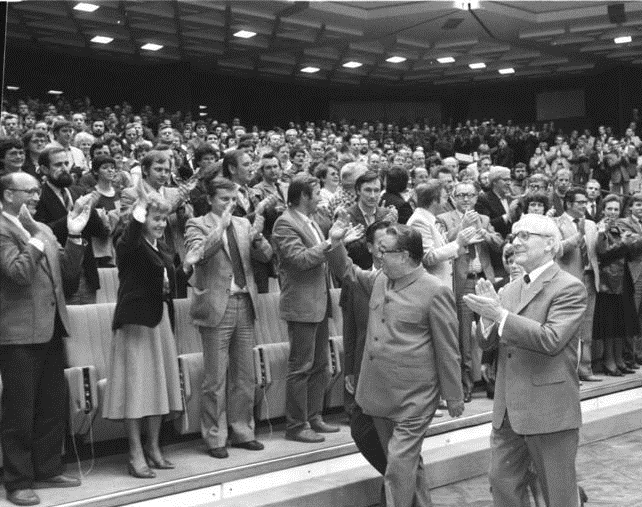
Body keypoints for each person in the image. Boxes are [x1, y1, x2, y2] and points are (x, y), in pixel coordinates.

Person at [326, 222, 464, 507]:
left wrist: (454, 397)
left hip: (414, 399)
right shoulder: (379, 280)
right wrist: (336, 244)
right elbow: (348, 272)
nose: (378, 256)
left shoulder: (435, 291)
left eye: (384, 251)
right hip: (378, 395)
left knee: (398, 470)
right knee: (404, 465)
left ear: (404, 255)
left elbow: (448, 350)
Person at [464, 214, 587, 507]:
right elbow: (489, 342)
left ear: (549, 244)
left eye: (524, 236)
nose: (515, 242)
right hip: (508, 410)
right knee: (502, 486)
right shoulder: (509, 289)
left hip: (549, 410)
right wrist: (486, 319)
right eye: (514, 236)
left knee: (558, 495)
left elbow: (550, 340)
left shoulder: (569, 287)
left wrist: (500, 316)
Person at [0, 172, 88, 506]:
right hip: (18, 334)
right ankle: (18, 481)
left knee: (52, 404)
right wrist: (36, 238)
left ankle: (47, 468)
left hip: (51, 327)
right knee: (19, 410)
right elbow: (18, 273)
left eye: (38, 191)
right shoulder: (5, 229)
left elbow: (67, 273)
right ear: (9, 195)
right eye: (31, 191)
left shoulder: (45, 229)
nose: (38, 197)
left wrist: (76, 236)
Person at [183, 177, 272, 459]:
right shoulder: (196, 224)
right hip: (215, 304)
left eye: (234, 200)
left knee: (245, 375)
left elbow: (267, 256)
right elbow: (197, 255)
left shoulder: (244, 224)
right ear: (210, 199)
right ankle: (214, 437)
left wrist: (258, 237)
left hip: (244, 301)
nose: (230, 205)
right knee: (215, 378)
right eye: (224, 200)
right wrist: (219, 227)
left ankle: (243, 430)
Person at [103, 181, 183, 479]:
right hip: (136, 323)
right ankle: (135, 452)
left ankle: (153, 447)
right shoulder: (129, 243)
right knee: (136, 389)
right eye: (155, 218)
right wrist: (137, 214)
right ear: (141, 219)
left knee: (157, 386)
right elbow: (129, 240)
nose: (161, 224)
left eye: (163, 219)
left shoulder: (160, 246)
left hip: (159, 321)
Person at [272, 174, 339, 443]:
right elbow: (299, 260)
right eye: (316, 193)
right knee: (301, 367)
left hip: (318, 302)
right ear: (303, 196)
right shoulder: (284, 223)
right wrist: (329, 243)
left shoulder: (311, 221)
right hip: (301, 303)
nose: (320, 197)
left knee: (320, 365)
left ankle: (314, 417)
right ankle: (296, 425)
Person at [437, 181, 502, 402]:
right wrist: (463, 226)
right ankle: (465, 386)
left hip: (484, 280)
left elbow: (498, 244)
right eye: (461, 195)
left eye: (470, 195)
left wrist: (483, 230)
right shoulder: (444, 219)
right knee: (464, 336)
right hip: (463, 282)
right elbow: (443, 244)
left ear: (476, 198)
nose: (466, 199)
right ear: (453, 198)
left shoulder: (483, 219)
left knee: (490, 330)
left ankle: (492, 380)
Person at [594, 195, 637, 376]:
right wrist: (624, 244)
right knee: (610, 324)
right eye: (609, 209)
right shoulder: (600, 228)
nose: (612, 212)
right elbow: (603, 253)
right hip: (608, 280)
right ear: (603, 209)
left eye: (615, 209)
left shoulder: (619, 227)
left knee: (622, 321)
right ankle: (609, 360)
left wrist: (629, 243)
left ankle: (619, 359)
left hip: (623, 277)